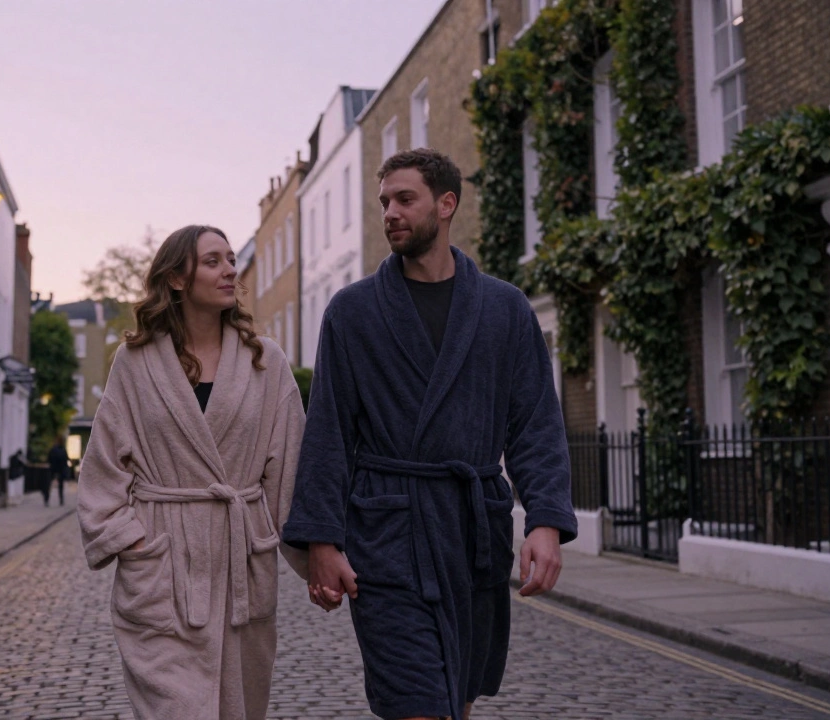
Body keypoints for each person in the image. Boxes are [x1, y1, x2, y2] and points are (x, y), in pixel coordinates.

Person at [282, 149, 577, 720]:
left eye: (404, 199)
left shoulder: (505, 308)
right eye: (384, 201)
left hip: (472, 534)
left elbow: (536, 424)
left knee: (457, 703)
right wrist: (320, 541)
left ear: (446, 205)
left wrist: (544, 519)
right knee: (416, 705)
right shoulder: (353, 311)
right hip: (389, 536)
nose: (390, 212)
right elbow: (329, 432)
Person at [76, 224, 307, 719]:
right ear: (177, 279)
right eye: (213, 261)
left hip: (240, 565)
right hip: (164, 572)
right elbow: (102, 469)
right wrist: (134, 543)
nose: (229, 270)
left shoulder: (266, 362)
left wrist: (319, 557)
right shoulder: (135, 363)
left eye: (230, 260)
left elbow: (291, 472)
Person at [46, 436, 70, 507]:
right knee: (61, 486)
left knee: (49, 484)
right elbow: (66, 460)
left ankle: (47, 499)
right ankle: (61, 500)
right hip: (61, 469)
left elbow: (49, 459)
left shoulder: (53, 449)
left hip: (53, 469)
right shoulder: (63, 450)